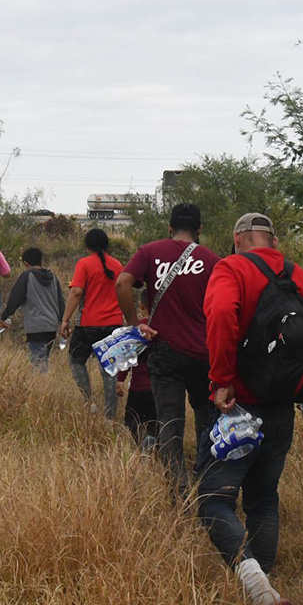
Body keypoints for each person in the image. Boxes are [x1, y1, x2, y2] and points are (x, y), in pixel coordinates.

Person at [200, 213, 303, 605]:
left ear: (238, 240)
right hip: (280, 408)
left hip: (237, 407)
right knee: (263, 496)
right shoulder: (301, 279)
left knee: (213, 499)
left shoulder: (231, 268)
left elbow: (221, 313)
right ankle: (265, 584)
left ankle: (258, 587)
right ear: (273, 241)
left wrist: (222, 378)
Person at [116, 202, 219, 493]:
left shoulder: (149, 252)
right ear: (199, 230)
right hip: (204, 354)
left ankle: (178, 486)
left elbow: (123, 283)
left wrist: (135, 322)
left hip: (165, 351)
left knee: (169, 422)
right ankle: (207, 482)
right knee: (205, 419)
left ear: (170, 228)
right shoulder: (212, 260)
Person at [60, 229, 123, 419]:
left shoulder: (84, 264)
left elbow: (76, 292)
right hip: (113, 324)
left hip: (88, 324)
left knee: (76, 360)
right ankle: (110, 417)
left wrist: (65, 319)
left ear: (87, 246)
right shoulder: (117, 265)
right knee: (109, 368)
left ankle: (89, 403)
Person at [0, 247, 65, 372]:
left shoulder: (27, 276)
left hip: (36, 326)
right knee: (43, 359)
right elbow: (60, 302)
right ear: (41, 261)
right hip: (52, 326)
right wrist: (64, 321)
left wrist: (4, 316)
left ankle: (41, 389)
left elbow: (15, 299)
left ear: (25, 263)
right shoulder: (53, 277)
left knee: (38, 365)